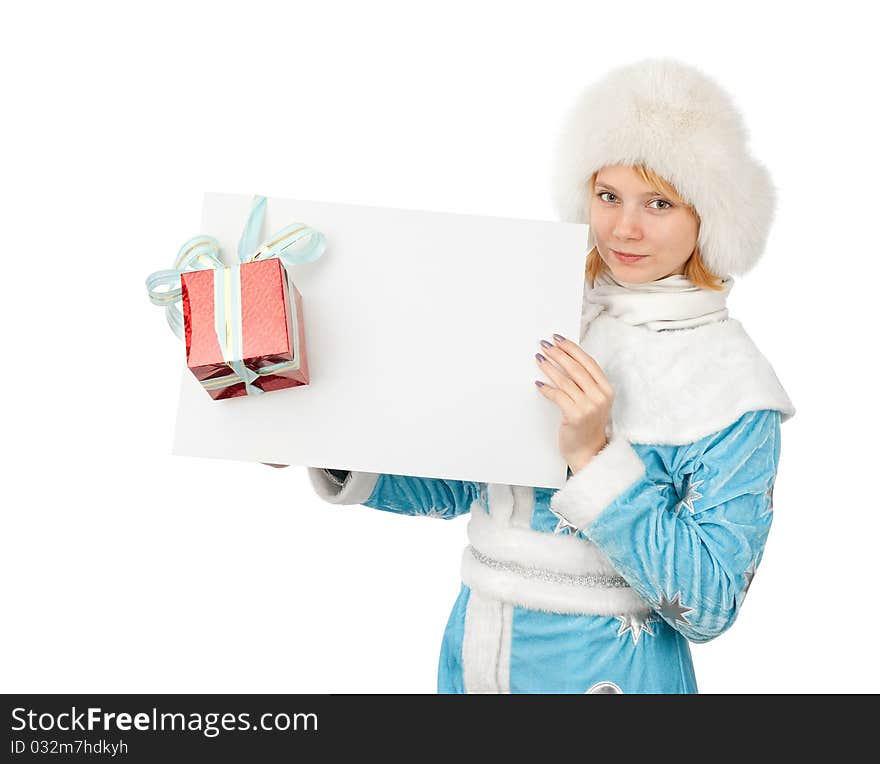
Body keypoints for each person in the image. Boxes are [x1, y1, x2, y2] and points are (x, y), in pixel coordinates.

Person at [275, 58, 796, 693]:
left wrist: (593, 457)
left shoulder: (733, 383)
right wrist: (317, 436)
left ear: (707, 216)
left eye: (658, 202)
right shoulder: (541, 310)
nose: (624, 228)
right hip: (473, 654)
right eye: (608, 196)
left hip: (610, 681)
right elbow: (455, 486)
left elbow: (709, 603)